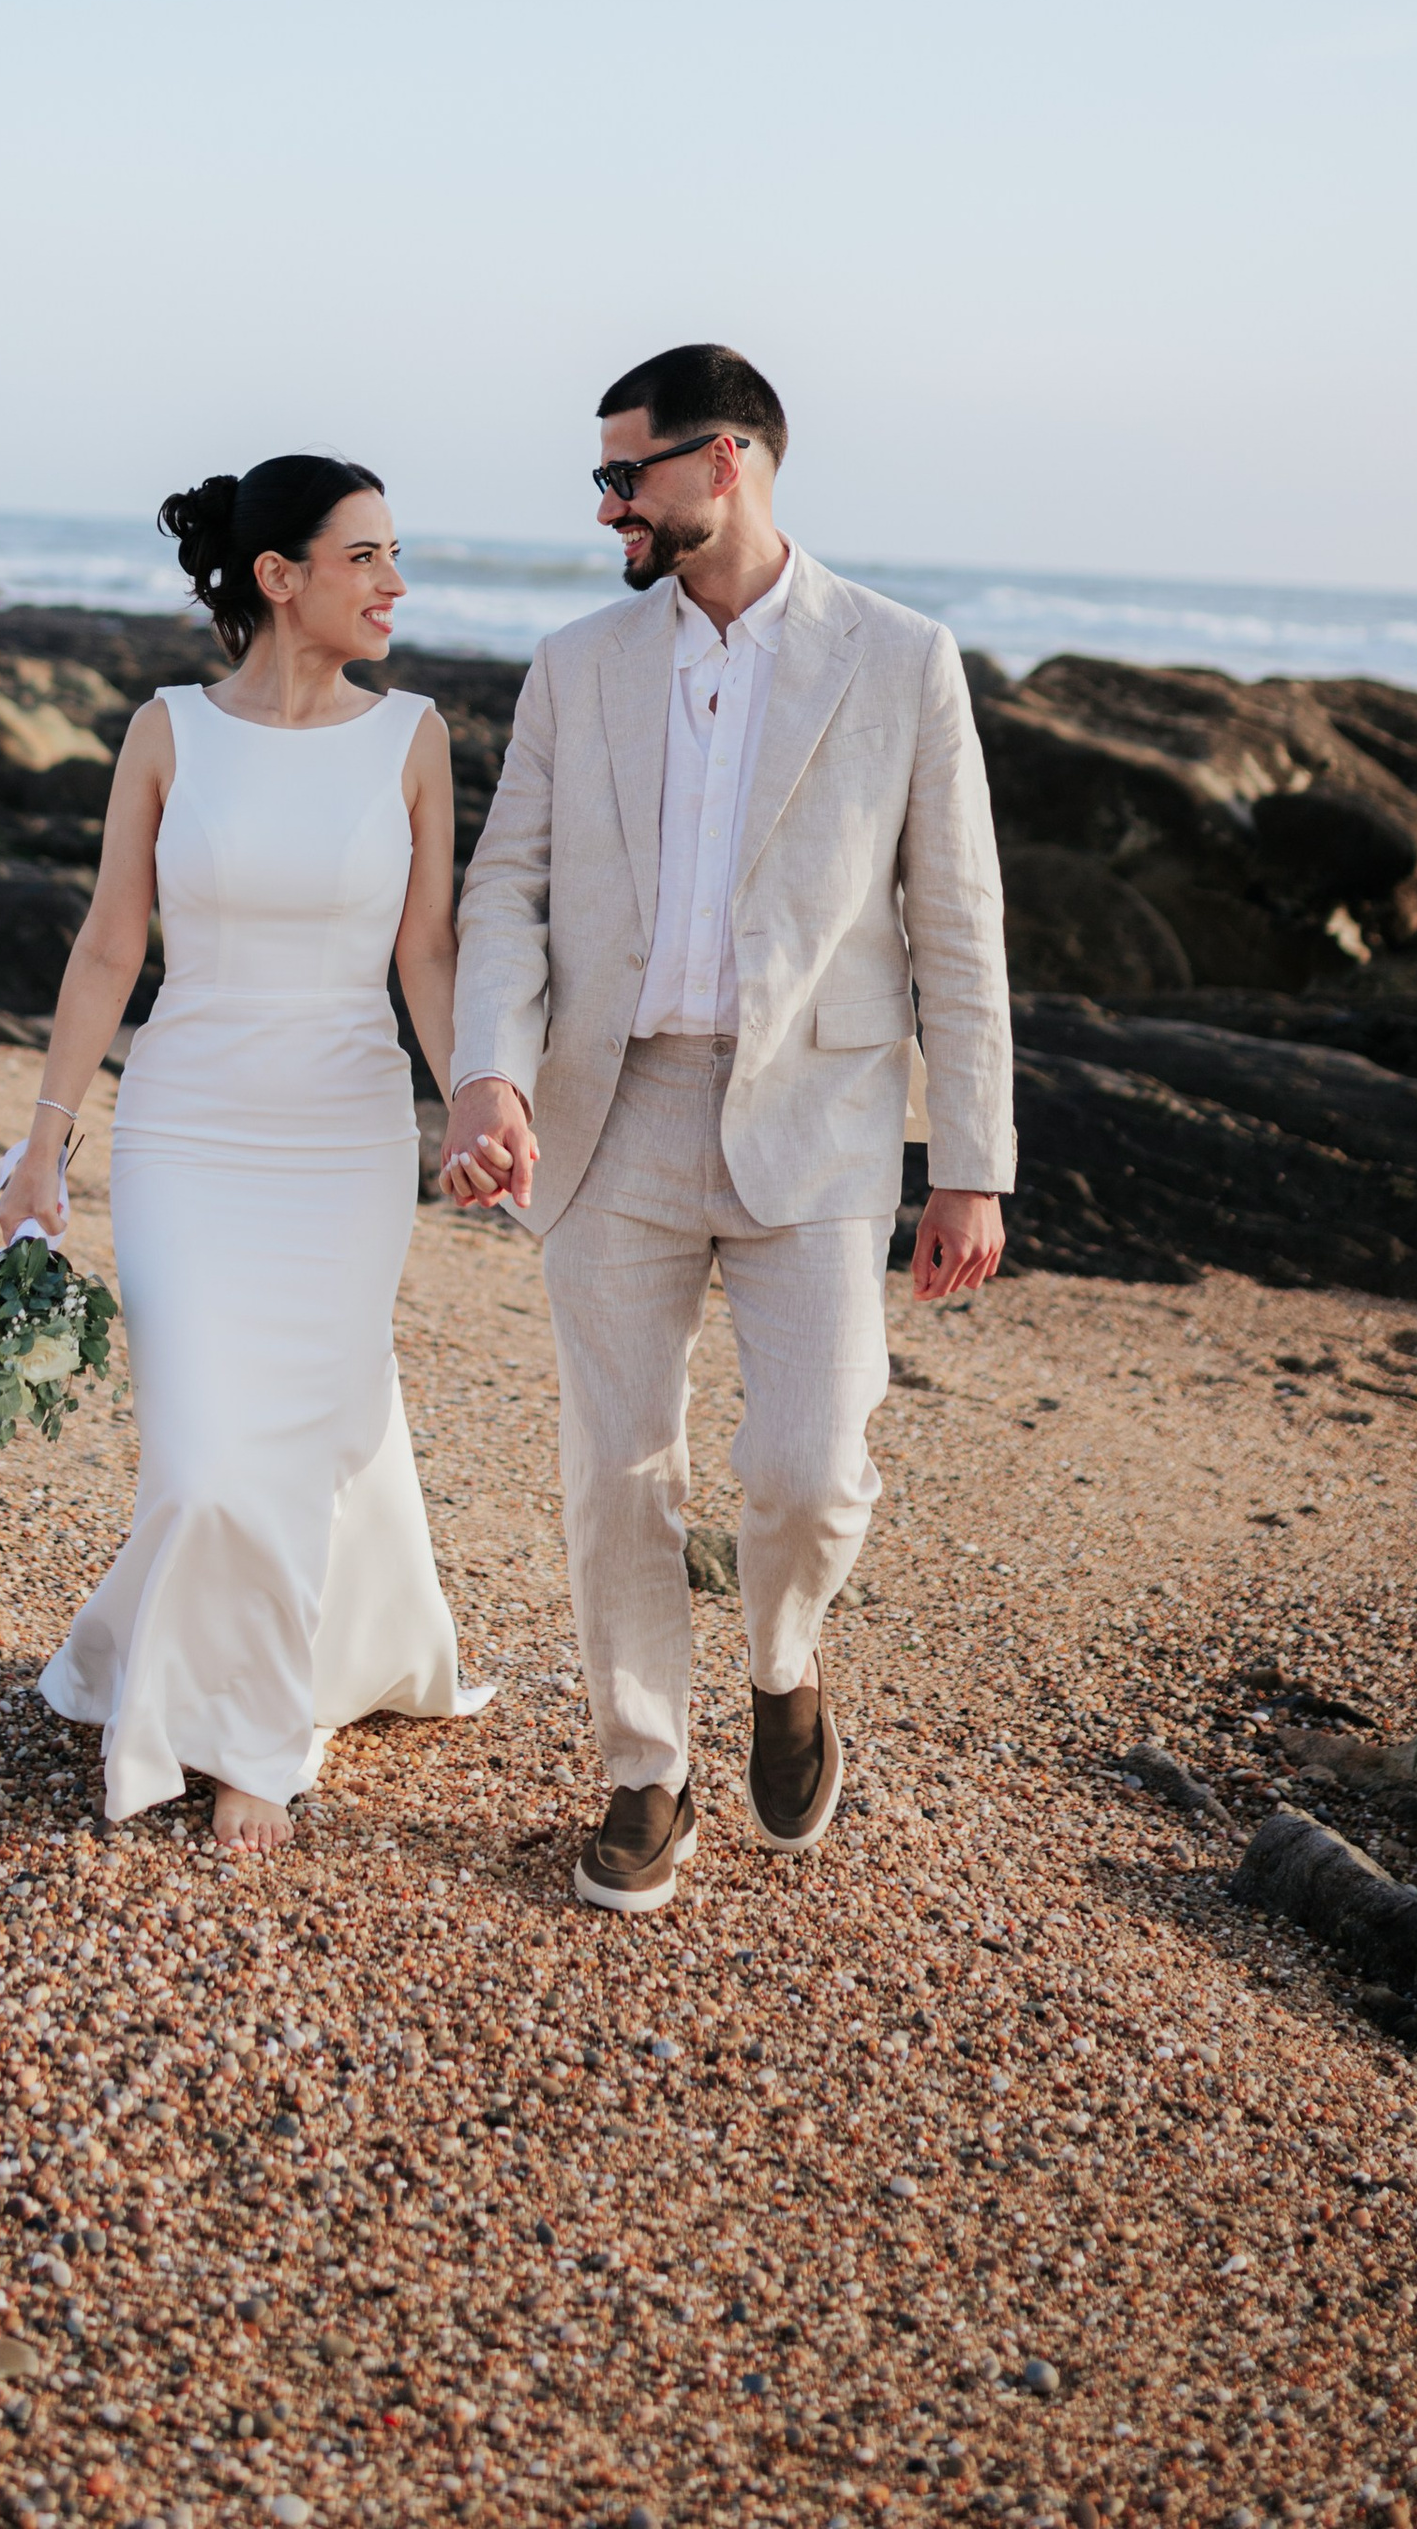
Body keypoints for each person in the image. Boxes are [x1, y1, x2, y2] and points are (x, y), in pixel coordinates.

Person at [442, 345, 1014, 1913]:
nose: (612, 503)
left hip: (820, 1123)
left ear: (730, 463)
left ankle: (783, 1663)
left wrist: (967, 1163)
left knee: (814, 1470)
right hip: (607, 1113)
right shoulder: (576, 666)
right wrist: (486, 1071)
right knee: (619, 1468)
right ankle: (644, 1773)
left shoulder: (901, 660)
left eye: (631, 473)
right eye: (605, 478)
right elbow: (509, 887)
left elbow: (956, 925)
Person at [8, 454, 488, 1856]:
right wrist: (44, 1146)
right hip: (186, 1126)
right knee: (208, 1453)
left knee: (299, 1431)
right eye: (367, 557)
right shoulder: (167, 731)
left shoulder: (413, 737)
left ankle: (252, 1746)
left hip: (343, 1133)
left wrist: (471, 1099)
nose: (395, 583)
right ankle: (234, 1689)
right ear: (281, 578)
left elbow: (429, 949)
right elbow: (110, 944)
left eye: (396, 555)